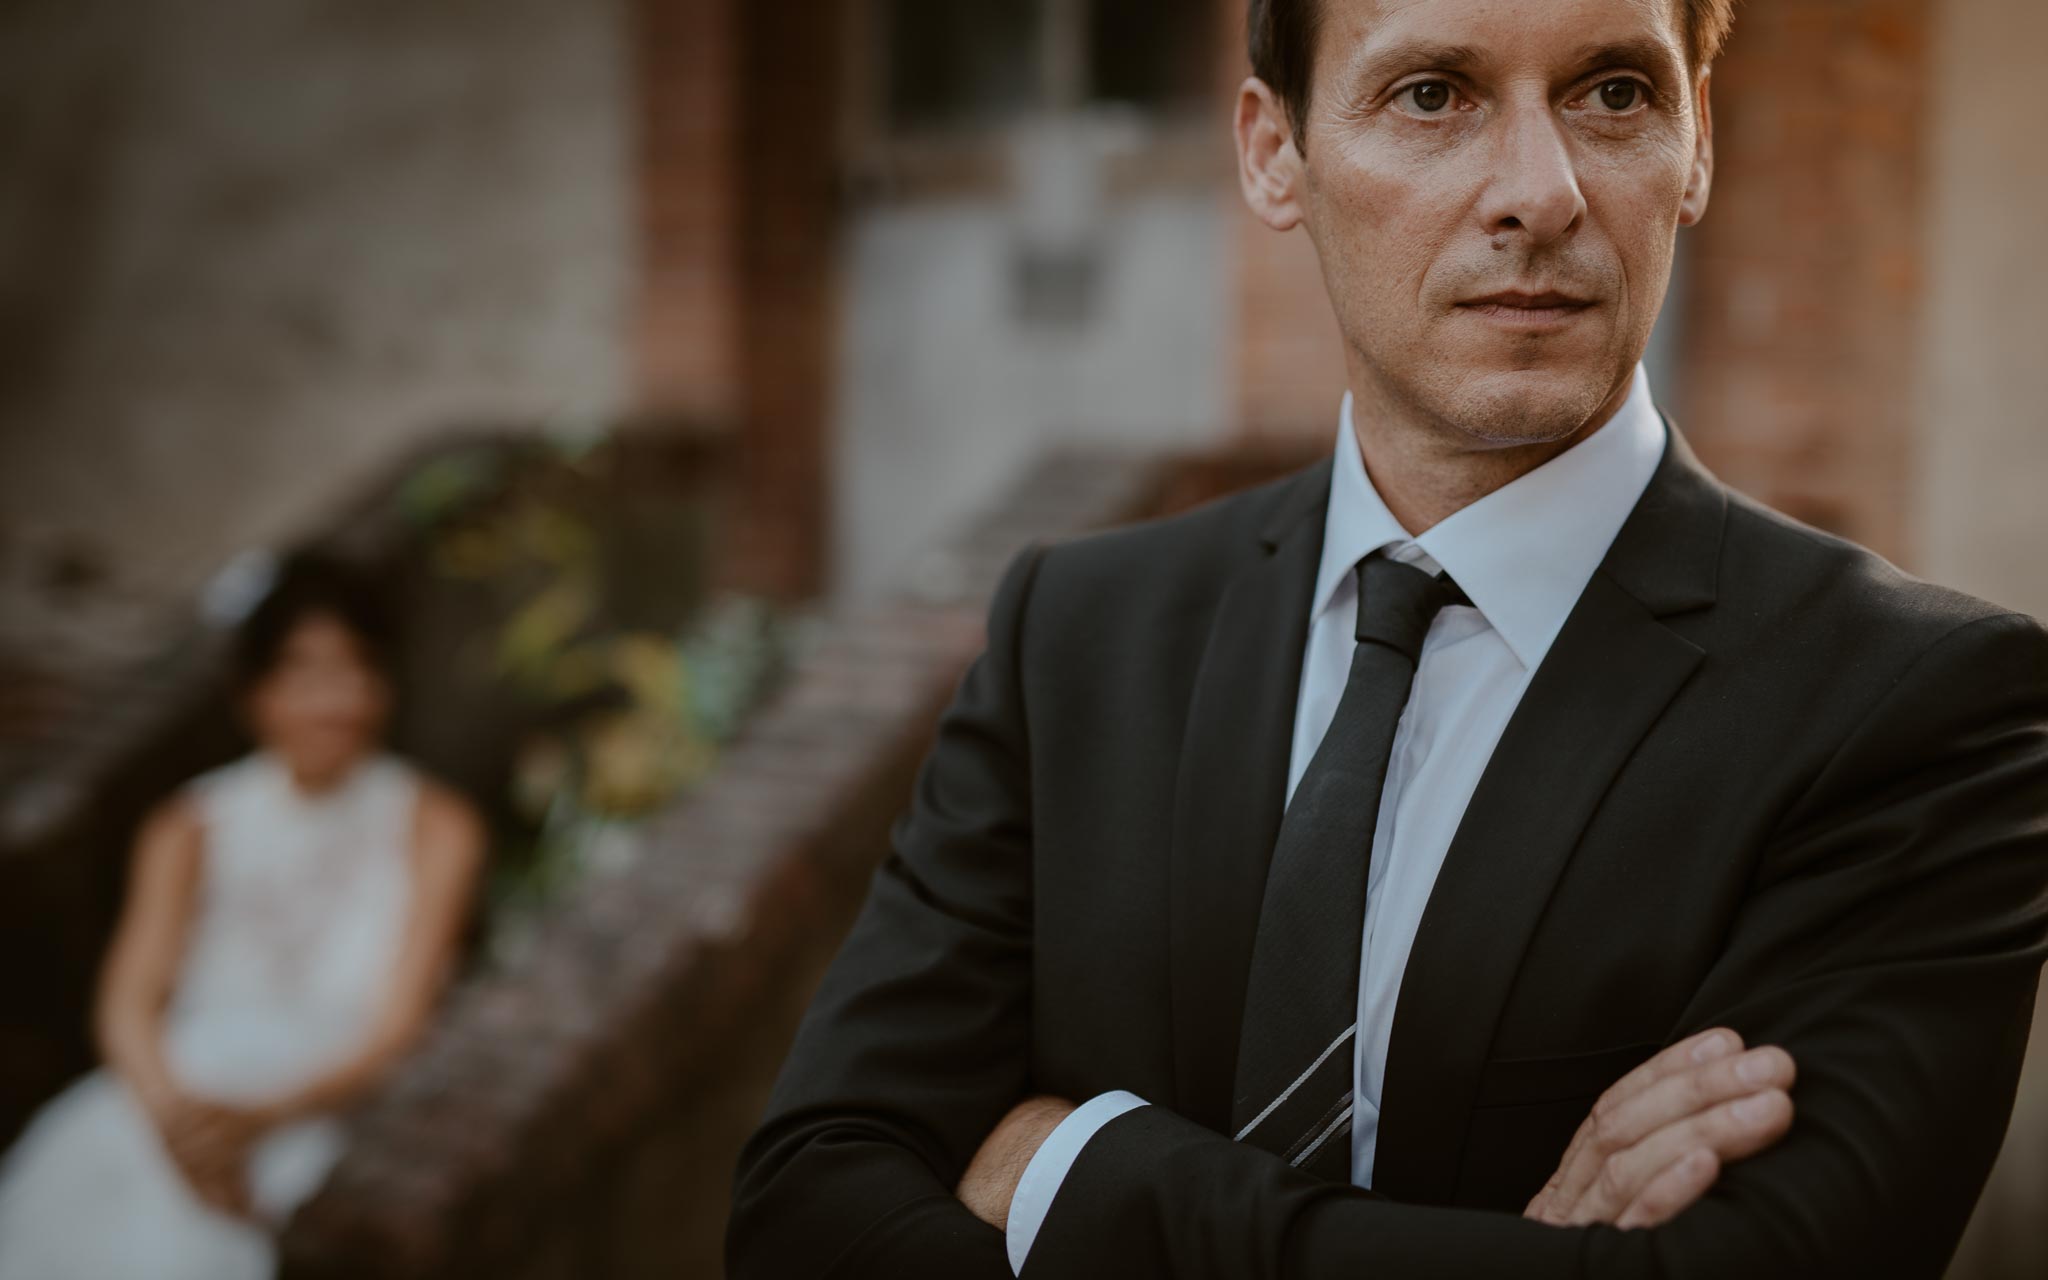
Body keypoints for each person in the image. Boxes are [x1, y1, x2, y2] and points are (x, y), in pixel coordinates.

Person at [727, 0, 2048, 1276]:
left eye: (1614, 91)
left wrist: (1080, 1172)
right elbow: (808, 1206)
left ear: (1697, 140)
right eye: (1433, 94)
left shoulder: (1919, 711)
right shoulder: (1076, 636)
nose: (1542, 190)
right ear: (1272, 153)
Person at [0, 553, 485, 1279]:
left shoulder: (438, 826)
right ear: (252, 691)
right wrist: (178, 1126)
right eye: (303, 672)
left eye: (355, 669)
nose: (334, 699)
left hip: (327, 1110)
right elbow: (129, 1001)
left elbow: (399, 1026)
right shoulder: (189, 826)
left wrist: (261, 1120)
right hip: (173, 1101)